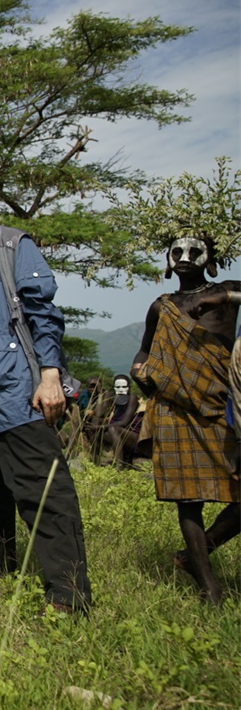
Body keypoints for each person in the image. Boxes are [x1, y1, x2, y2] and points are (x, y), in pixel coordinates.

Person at [0, 166, 93, 612]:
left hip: (18, 390)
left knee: (43, 492)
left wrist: (50, 374)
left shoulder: (13, 245)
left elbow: (43, 314)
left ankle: (68, 596)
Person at [132, 235, 239, 605]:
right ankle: (210, 586)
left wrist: (217, 298)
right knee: (187, 498)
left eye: (195, 252)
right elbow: (145, 350)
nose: (185, 258)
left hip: (221, 404)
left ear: (210, 259)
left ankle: (199, 553)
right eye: (177, 252)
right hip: (175, 407)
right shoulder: (162, 306)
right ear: (167, 259)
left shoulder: (228, 292)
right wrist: (139, 371)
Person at [103, 375, 141, 468]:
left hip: (135, 439)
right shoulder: (113, 401)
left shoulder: (132, 398)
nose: (120, 389)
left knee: (113, 428)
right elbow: (100, 414)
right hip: (118, 436)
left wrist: (99, 427)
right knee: (94, 431)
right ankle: (93, 460)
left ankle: (119, 465)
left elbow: (124, 423)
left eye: (124, 387)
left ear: (129, 388)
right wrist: (104, 396)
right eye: (118, 387)